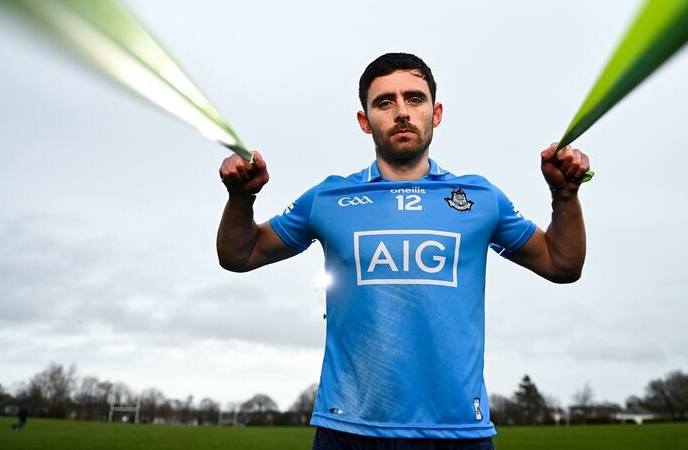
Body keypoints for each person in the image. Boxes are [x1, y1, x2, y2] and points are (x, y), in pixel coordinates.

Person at [217, 53, 589, 449]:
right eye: (384, 102)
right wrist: (241, 197)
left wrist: (564, 195)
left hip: (459, 432)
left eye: (414, 99)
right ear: (365, 121)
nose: (402, 112)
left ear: (436, 113)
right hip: (349, 431)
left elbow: (561, 264)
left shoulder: (480, 198)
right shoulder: (328, 198)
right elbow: (240, 255)